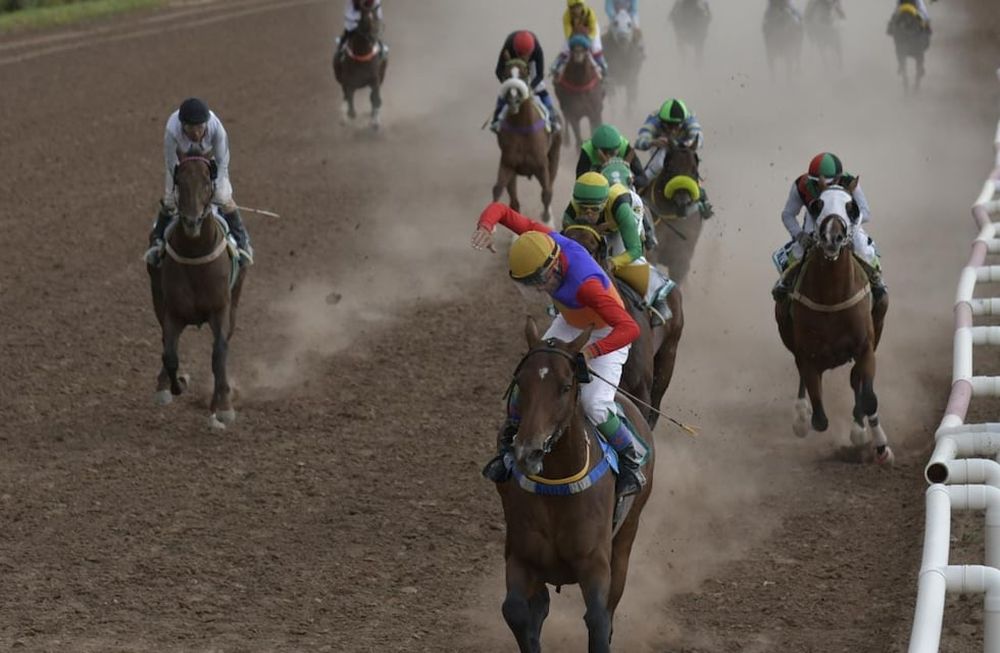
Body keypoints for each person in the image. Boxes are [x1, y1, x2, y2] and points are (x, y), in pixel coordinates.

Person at [472, 203, 646, 498]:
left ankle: (631, 461)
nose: (541, 289)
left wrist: (592, 352)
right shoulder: (542, 240)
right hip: (571, 318)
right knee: (531, 375)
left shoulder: (588, 285)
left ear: (554, 266)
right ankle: (507, 452)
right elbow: (501, 209)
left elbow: (629, 328)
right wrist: (486, 226)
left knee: (593, 404)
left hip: (607, 330)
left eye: (541, 282)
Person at [145, 97, 252, 267]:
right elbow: (171, 165)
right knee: (170, 200)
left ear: (206, 124)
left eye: (200, 128)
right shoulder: (172, 131)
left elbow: (222, 163)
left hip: (211, 159)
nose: (195, 133)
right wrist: (172, 193)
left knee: (224, 197)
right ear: (182, 126)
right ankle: (157, 241)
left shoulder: (217, 130)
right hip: (182, 160)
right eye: (190, 128)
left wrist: (217, 188)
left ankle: (242, 241)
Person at [563, 170, 674, 325]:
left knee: (623, 258)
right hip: (603, 223)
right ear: (576, 203)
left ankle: (659, 293)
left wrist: (613, 262)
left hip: (628, 211)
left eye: (594, 209)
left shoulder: (620, 207)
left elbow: (634, 250)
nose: (588, 214)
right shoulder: (570, 212)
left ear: (603, 203)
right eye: (583, 208)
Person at [771, 152, 886, 301]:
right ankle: (785, 280)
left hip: (847, 222)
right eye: (816, 183)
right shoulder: (801, 185)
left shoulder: (849, 181)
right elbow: (788, 214)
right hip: (816, 219)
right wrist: (800, 235)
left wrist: (851, 227)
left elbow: (866, 212)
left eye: (827, 183)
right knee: (800, 250)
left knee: (861, 246)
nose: (821, 187)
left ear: (838, 179)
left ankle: (877, 280)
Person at [634, 98, 712, 218]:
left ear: (683, 121)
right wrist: (653, 142)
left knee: (689, 165)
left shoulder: (690, 119)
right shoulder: (654, 120)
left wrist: (682, 145)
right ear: (661, 121)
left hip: (683, 149)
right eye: (669, 125)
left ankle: (703, 200)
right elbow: (639, 142)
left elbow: (699, 139)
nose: (673, 129)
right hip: (662, 148)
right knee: (658, 164)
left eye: (676, 125)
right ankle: (638, 190)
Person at [490, 30, 561, 133]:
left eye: (525, 55)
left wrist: (530, 88)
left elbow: (540, 75)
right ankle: (496, 120)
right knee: (505, 91)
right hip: (513, 63)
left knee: (541, 88)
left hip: (531, 64)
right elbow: (498, 71)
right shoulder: (508, 45)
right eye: (521, 54)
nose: (523, 58)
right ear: (515, 49)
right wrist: (510, 85)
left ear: (531, 51)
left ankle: (552, 119)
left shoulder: (537, 50)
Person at [575, 123, 647, 188]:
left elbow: (643, 179)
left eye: (612, 153)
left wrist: (632, 180)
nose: (609, 158)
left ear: (618, 148)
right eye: (605, 153)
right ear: (597, 151)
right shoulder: (587, 150)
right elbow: (580, 180)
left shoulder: (625, 147)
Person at [551, 0, 609, 78]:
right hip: (574, 33)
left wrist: (587, 40)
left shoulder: (590, 13)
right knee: (566, 48)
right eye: (574, 8)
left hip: (590, 32)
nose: (576, 10)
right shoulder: (566, 16)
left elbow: (593, 31)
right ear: (570, 8)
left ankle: (603, 66)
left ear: (582, 6)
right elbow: (568, 33)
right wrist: (573, 41)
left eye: (578, 7)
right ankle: (555, 66)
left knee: (595, 48)